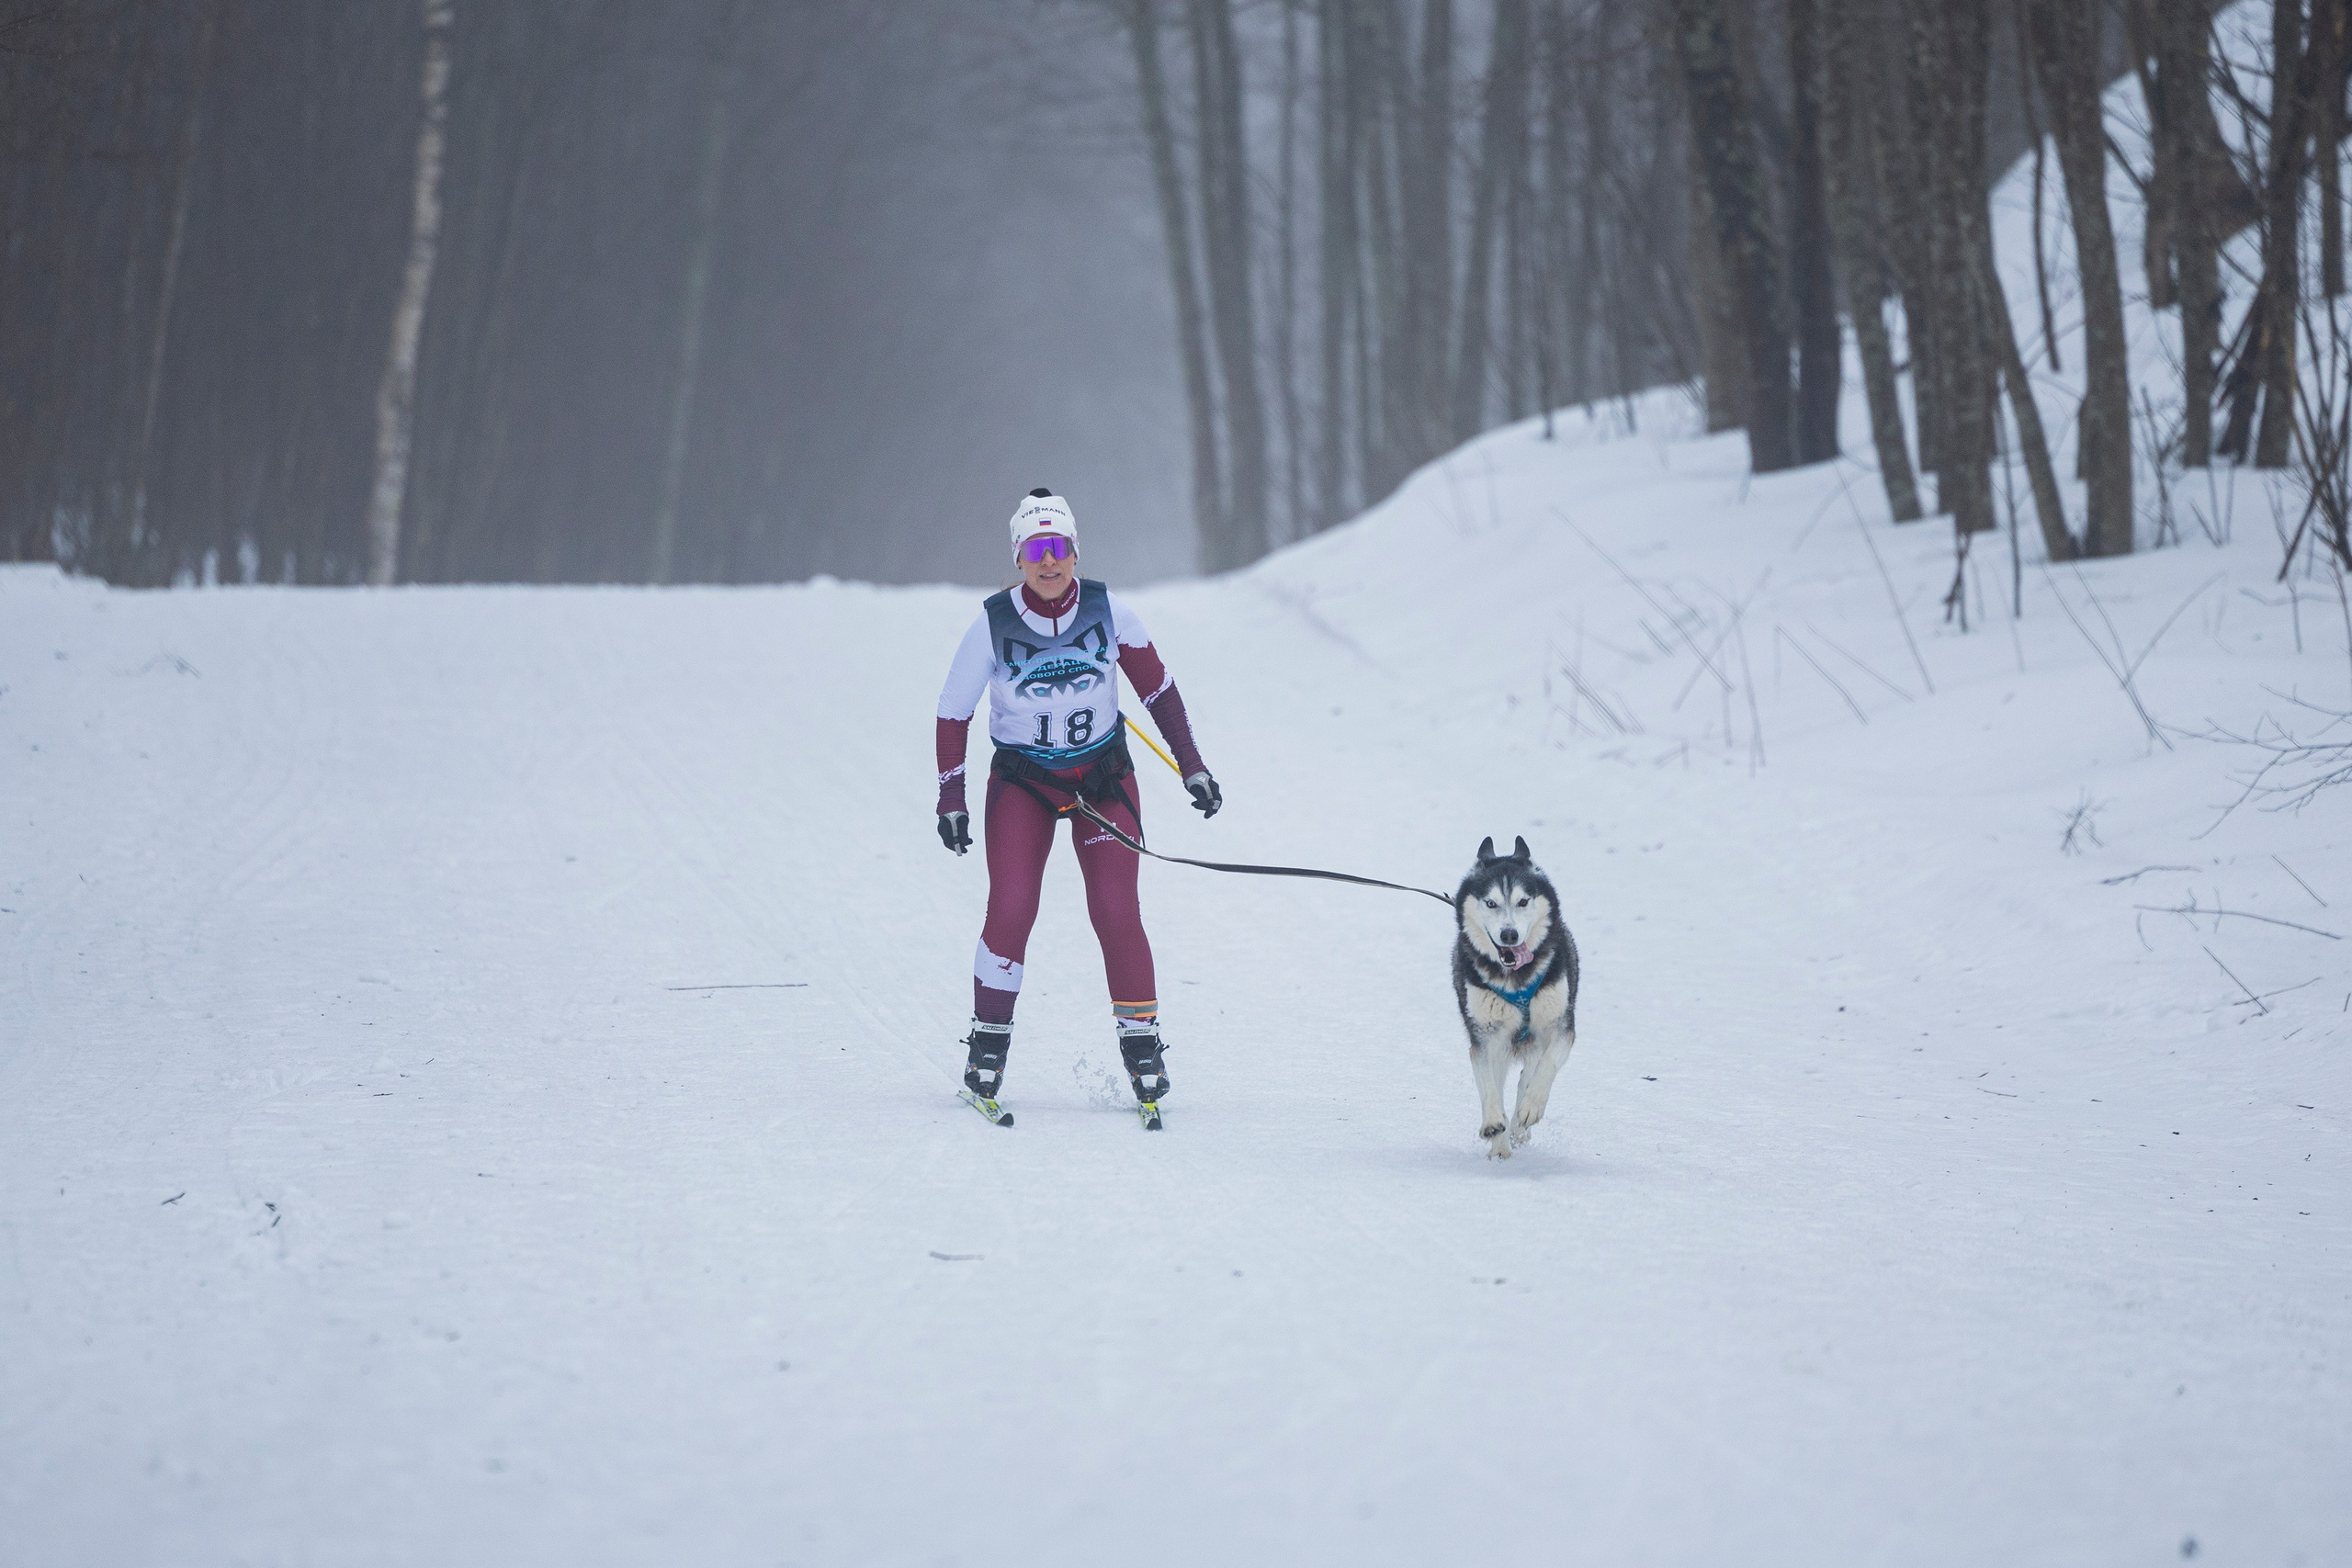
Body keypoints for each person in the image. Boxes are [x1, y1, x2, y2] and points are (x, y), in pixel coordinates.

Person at [933, 488, 1221, 1110]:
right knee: (1011, 906)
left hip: (1102, 779)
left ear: (1074, 551)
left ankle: (1143, 1047)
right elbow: (952, 711)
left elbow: (1159, 689)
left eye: (1058, 546)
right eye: (1035, 548)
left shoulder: (1107, 609)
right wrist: (949, 797)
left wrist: (1191, 766)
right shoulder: (993, 621)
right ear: (1017, 556)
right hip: (1024, 784)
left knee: (1117, 908)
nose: (1048, 560)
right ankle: (987, 1044)